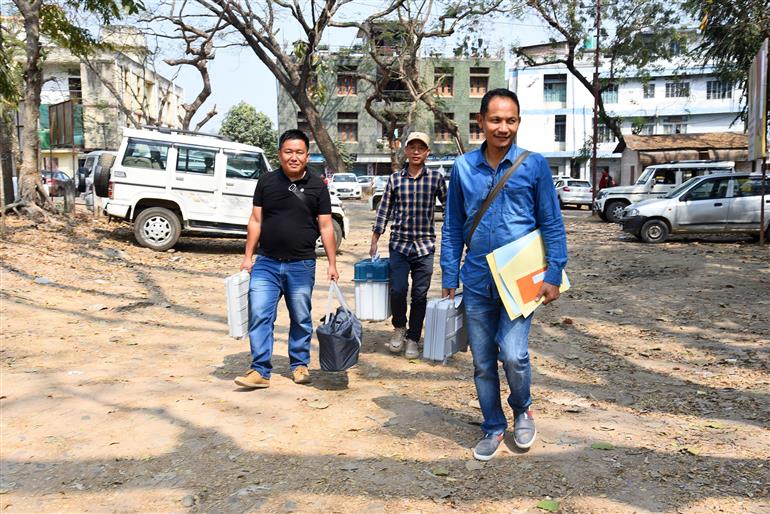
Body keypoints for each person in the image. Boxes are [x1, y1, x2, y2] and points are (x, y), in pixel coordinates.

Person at [440, 89, 568, 460]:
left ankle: (523, 407)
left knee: (513, 355)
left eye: (510, 120)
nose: (503, 127)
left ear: (518, 123)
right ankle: (493, 426)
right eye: (495, 120)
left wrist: (554, 272)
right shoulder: (463, 168)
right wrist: (450, 275)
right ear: (480, 121)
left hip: (521, 279)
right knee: (482, 362)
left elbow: (552, 223)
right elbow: (451, 227)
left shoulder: (534, 165)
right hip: (477, 278)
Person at [234, 129, 339, 389]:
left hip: (302, 264)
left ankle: (299, 364)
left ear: (307, 155)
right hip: (267, 262)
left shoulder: (317, 186)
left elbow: (326, 227)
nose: (294, 157)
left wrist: (332, 263)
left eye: (299, 152)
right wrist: (248, 256)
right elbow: (256, 220)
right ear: (280, 154)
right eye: (288, 152)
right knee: (260, 313)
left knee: (301, 316)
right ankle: (259, 369)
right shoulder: (266, 182)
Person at [370, 132, 447, 359]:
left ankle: (413, 337)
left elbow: (449, 205)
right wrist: (375, 238)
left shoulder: (435, 179)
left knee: (420, 295)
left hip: (424, 247)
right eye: (412, 147)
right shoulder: (395, 179)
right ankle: (399, 328)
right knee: (398, 289)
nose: (416, 152)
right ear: (406, 151)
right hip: (400, 246)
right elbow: (384, 209)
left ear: (427, 152)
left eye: (420, 148)